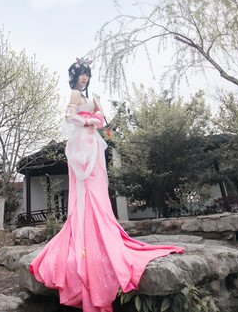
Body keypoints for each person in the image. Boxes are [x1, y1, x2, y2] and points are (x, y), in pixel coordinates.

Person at [29, 58, 184, 312]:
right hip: (81, 147)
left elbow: (103, 120)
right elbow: (69, 116)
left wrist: (96, 116)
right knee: (86, 189)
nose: (84, 78)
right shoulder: (75, 94)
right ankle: (86, 234)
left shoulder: (91, 97)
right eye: (81, 74)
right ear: (75, 76)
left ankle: (103, 231)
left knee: (98, 188)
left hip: (93, 146)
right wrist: (89, 120)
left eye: (87, 74)